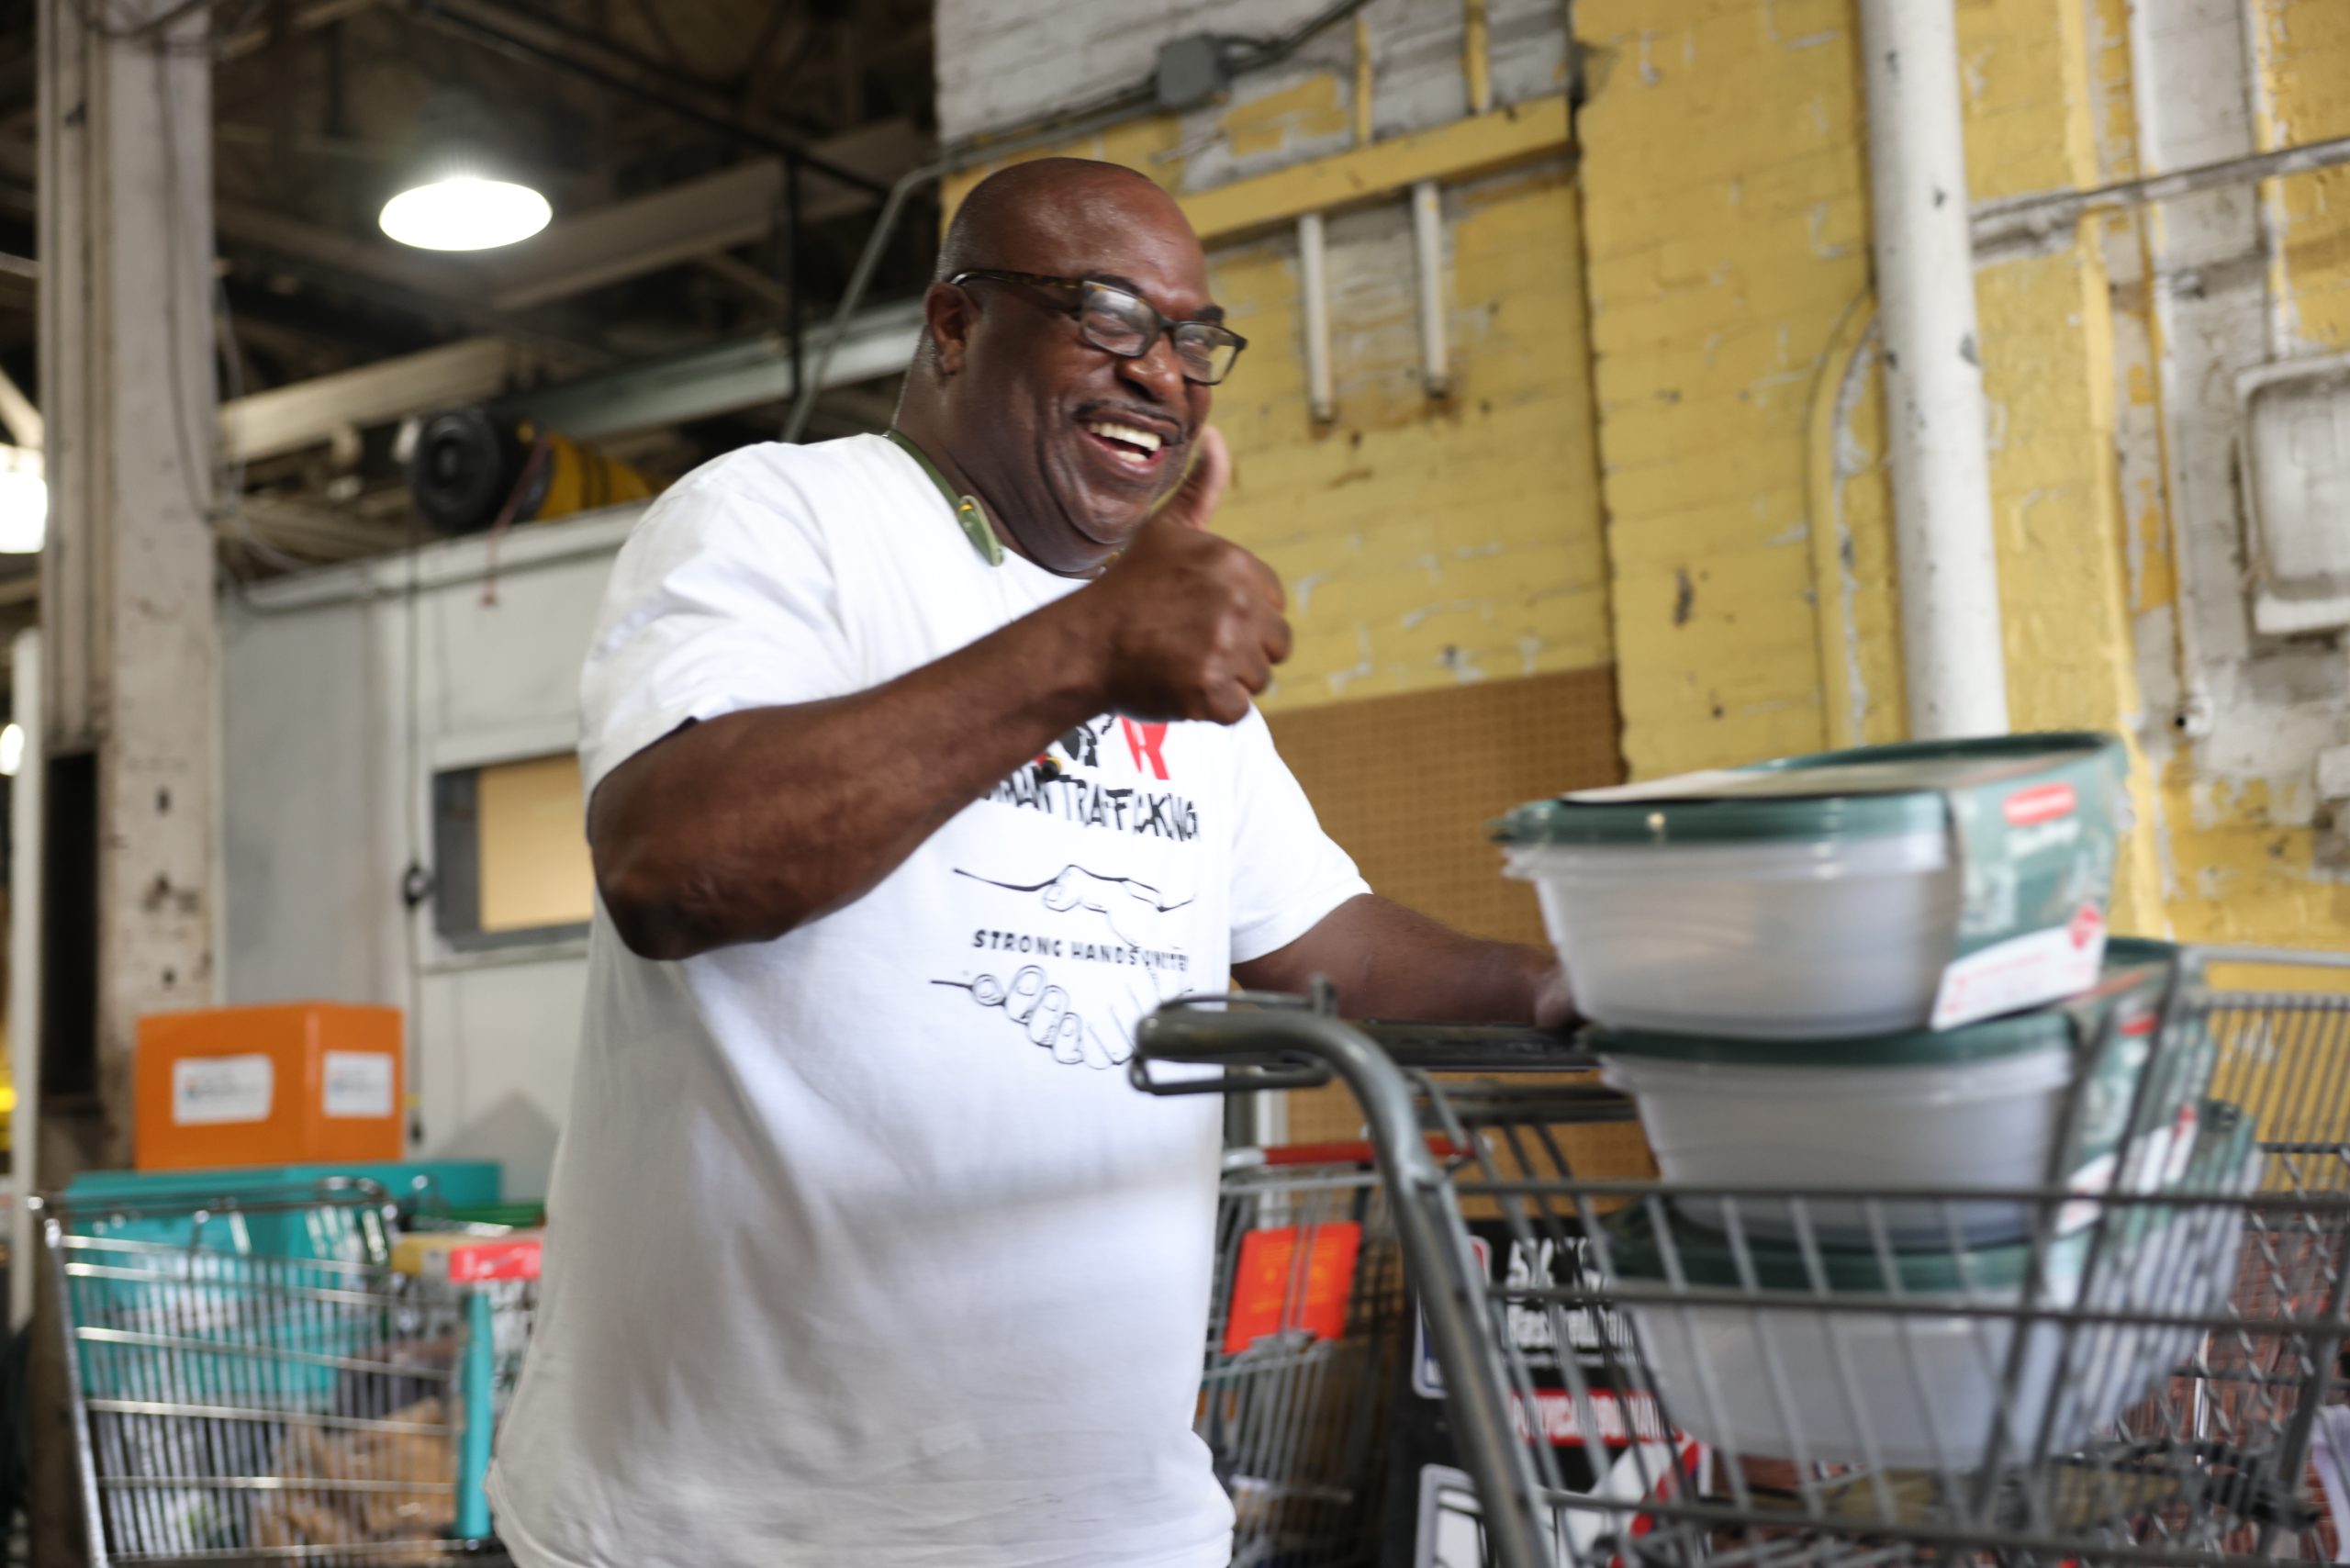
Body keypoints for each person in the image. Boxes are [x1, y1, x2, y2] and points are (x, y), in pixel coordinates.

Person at [488, 157, 1571, 1568]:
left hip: (1110, 1531)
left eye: (1194, 341)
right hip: (731, 1531)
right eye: (1110, 317)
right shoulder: (784, 519)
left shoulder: (1148, 634)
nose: (1164, 377)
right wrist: (1089, 647)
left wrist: (1579, 986)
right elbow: (673, 865)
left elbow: (1334, 948)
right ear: (952, 324)